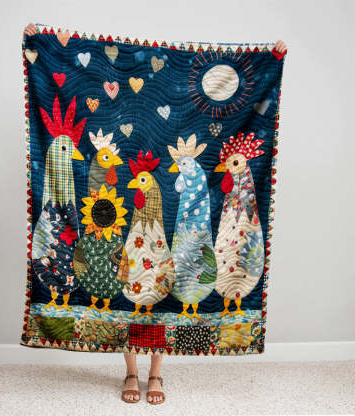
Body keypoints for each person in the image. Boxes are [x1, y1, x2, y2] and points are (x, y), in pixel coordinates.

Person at [23, 23, 286, 405]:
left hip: (161, 203)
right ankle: (131, 372)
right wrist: (42, 43)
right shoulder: (115, 104)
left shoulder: (176, 105)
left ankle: (156, 373)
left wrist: (270, 59)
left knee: (163, 278)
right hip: (121, 200)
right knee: (128, 277)